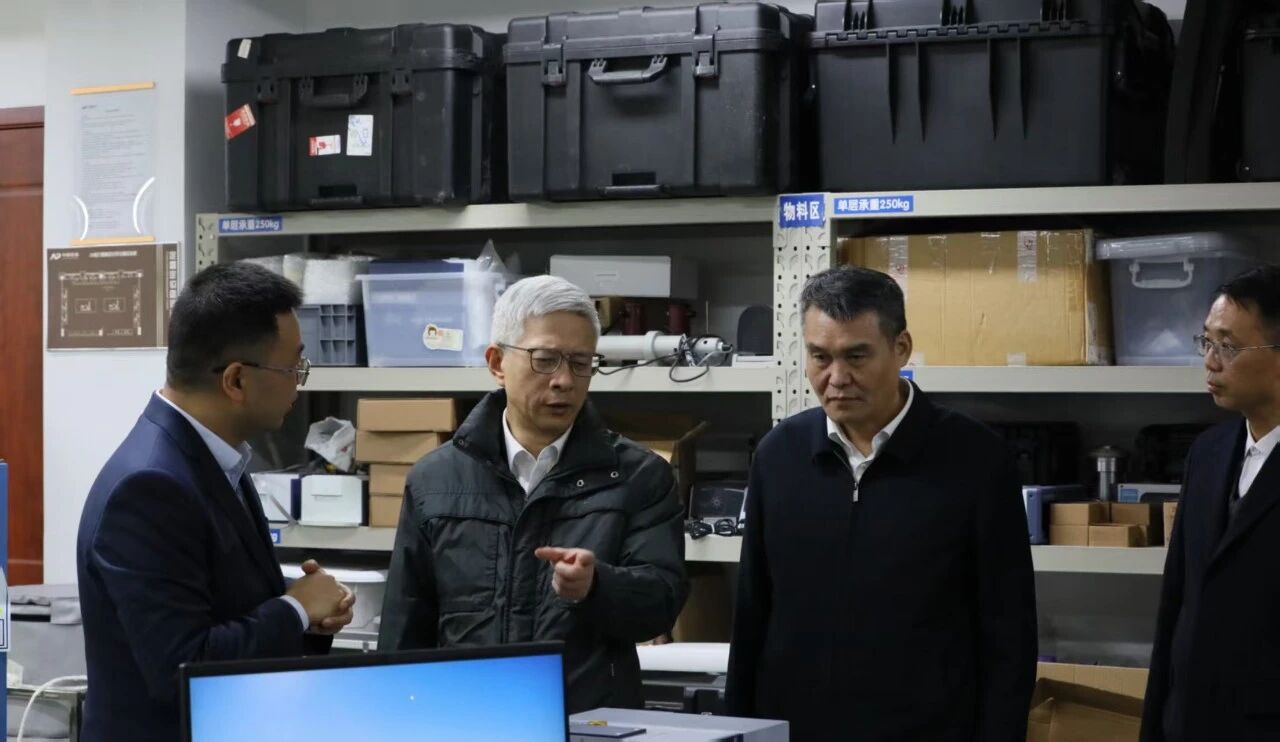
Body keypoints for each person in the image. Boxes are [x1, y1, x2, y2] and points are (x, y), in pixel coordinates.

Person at [726, 266, 1038, 741]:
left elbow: (1009, 632)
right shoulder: (778, 457)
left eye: (857, 356)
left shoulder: (976, 459)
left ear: (901, 348)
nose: (837, 378)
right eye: (820, 357)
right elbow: (752, 615)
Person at [379, 275, 688, 712]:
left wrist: (596, 586)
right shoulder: (436, 479)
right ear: (497, 362)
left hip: (587, 722)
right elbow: (404, 630)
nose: (564, 380)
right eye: (545, 360)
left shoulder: (638, 477)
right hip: (468, 720)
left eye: (581, 363)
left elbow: (661, 604)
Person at [77, 263, 355, 741]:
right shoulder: (149, 487)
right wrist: (294, 610)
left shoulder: (214, 458)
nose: (298, 382)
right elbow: (184, 666)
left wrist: (311, 612)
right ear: (236, 381)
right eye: (293, 368)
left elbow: (211, 598)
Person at [1142, 266, 1280, 741]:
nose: (1210, 361)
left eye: (1228, 346)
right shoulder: (1208, 453)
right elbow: (1175, 603)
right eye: (1206, 342)